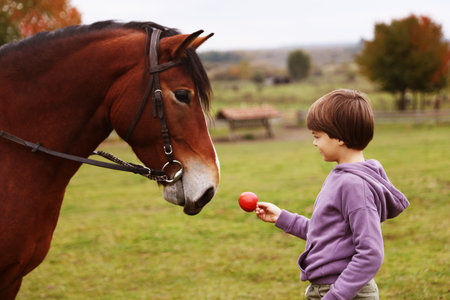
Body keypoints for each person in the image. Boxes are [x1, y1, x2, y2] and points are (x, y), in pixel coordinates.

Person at [256, 89, 409, 300]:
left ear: (338, 137)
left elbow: (371, 253)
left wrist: (335, 296)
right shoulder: (342, 176)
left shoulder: (355, 185)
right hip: (329, 289)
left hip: (345, 292)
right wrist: (281, 217)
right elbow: (327, 233)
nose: (314, 142)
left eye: (317, 136)